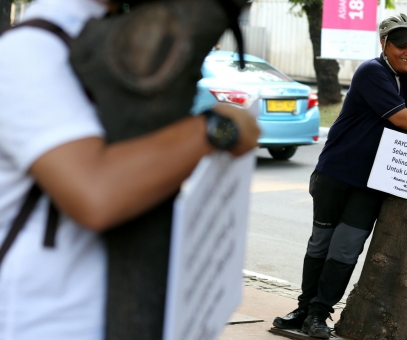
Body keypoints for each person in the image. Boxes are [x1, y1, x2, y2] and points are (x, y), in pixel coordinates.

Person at [0, 0, 260, 339]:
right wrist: (215, 128)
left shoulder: (108, 30)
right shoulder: (30, 49)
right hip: (40, 323)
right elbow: (95, 193)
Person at [273, 13, 407, 339]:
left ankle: (319, 314)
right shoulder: (372, 72)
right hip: (334, 174)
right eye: (402, 45)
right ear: (384, 44)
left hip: (371, 184)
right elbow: (402, 117)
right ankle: (304, 309)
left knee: (346, 249)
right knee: (320, 243)